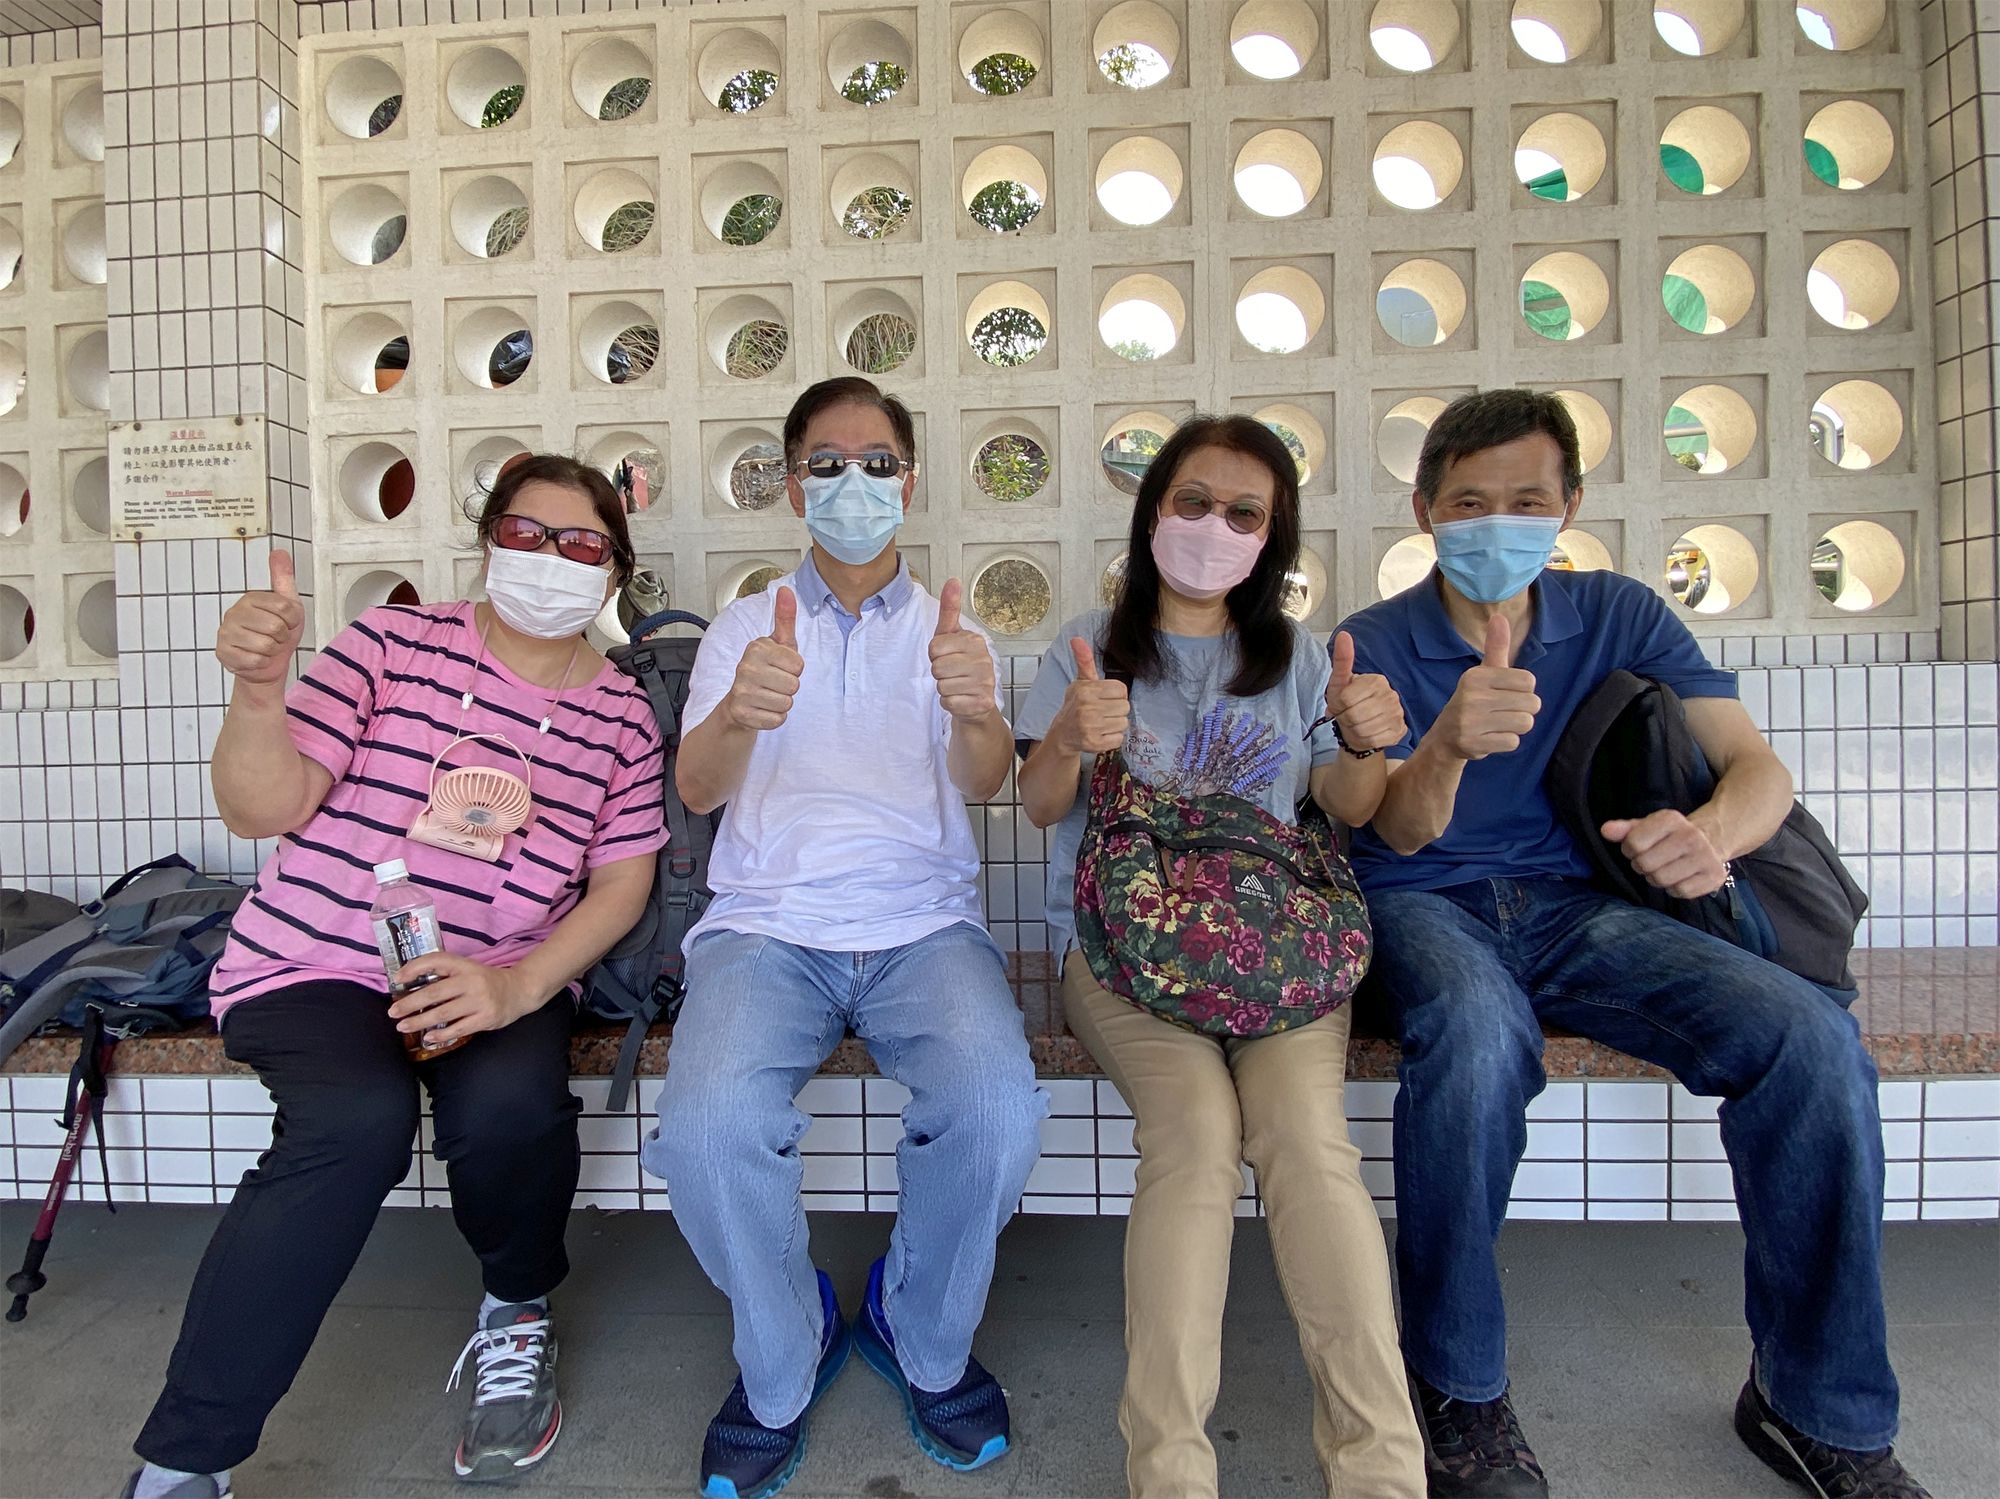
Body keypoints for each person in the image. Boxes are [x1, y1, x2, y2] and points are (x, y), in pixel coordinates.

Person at [1337, 388, 1928, 1499]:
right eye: (1466, 500)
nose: (1494, 520)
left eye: (1523, 497)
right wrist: (1450, 745)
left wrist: (1705, 838)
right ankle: (1457, 1390)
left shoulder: (1620, 612)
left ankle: (1815, 1405)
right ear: (1421, 509)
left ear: (1568, 504)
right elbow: (1395, 828)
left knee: (1808, 1038)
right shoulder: (1370, 640)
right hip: (1418, 900)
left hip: (1580, 905)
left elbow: (1755, 768)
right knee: (1472, 1034)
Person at [120, 455, 665, 1499]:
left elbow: (621, 882)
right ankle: (189, 1453)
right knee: (354, 1122)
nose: (550, 558)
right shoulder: (391, 643)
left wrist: (516, 988)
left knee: (510, 1104)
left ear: (613, 572)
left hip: (494, 969)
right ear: (486, 542)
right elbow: (260, 806)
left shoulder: (621, 716)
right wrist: (257, 695)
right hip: (317, 960)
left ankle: (516, 1309)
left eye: (581, 543)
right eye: (525, 533)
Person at [642, 376, 1047, 1499]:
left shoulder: (949, 628)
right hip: (767, 927)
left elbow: (980, 784)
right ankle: (781, 1356)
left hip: (924, 926)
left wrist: (979, 713)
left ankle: (917, 1328)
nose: (852, 481)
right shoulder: (743, 625)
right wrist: (734, 713)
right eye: (826, 462)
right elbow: (695, 783)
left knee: (997, 1110)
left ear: (909, 480)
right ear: (790, 484)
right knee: (710, 1123)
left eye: (875, 461)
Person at [1014, 415, 1427, 1499]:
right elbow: (1035, 806)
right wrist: (1066, 733)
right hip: (1122, 954)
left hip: (1276, 955)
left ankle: (1382, 1473)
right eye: (1191, 500)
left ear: (1271, 536)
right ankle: (1170, 1474)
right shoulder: (1084, 643)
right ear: (1152, 508)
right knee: (1193, 1135)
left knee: (1305, 1138)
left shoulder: (1298, 656)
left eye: (1243, 513)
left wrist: (1361, 741)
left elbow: (1345, 810)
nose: (1213, 527)